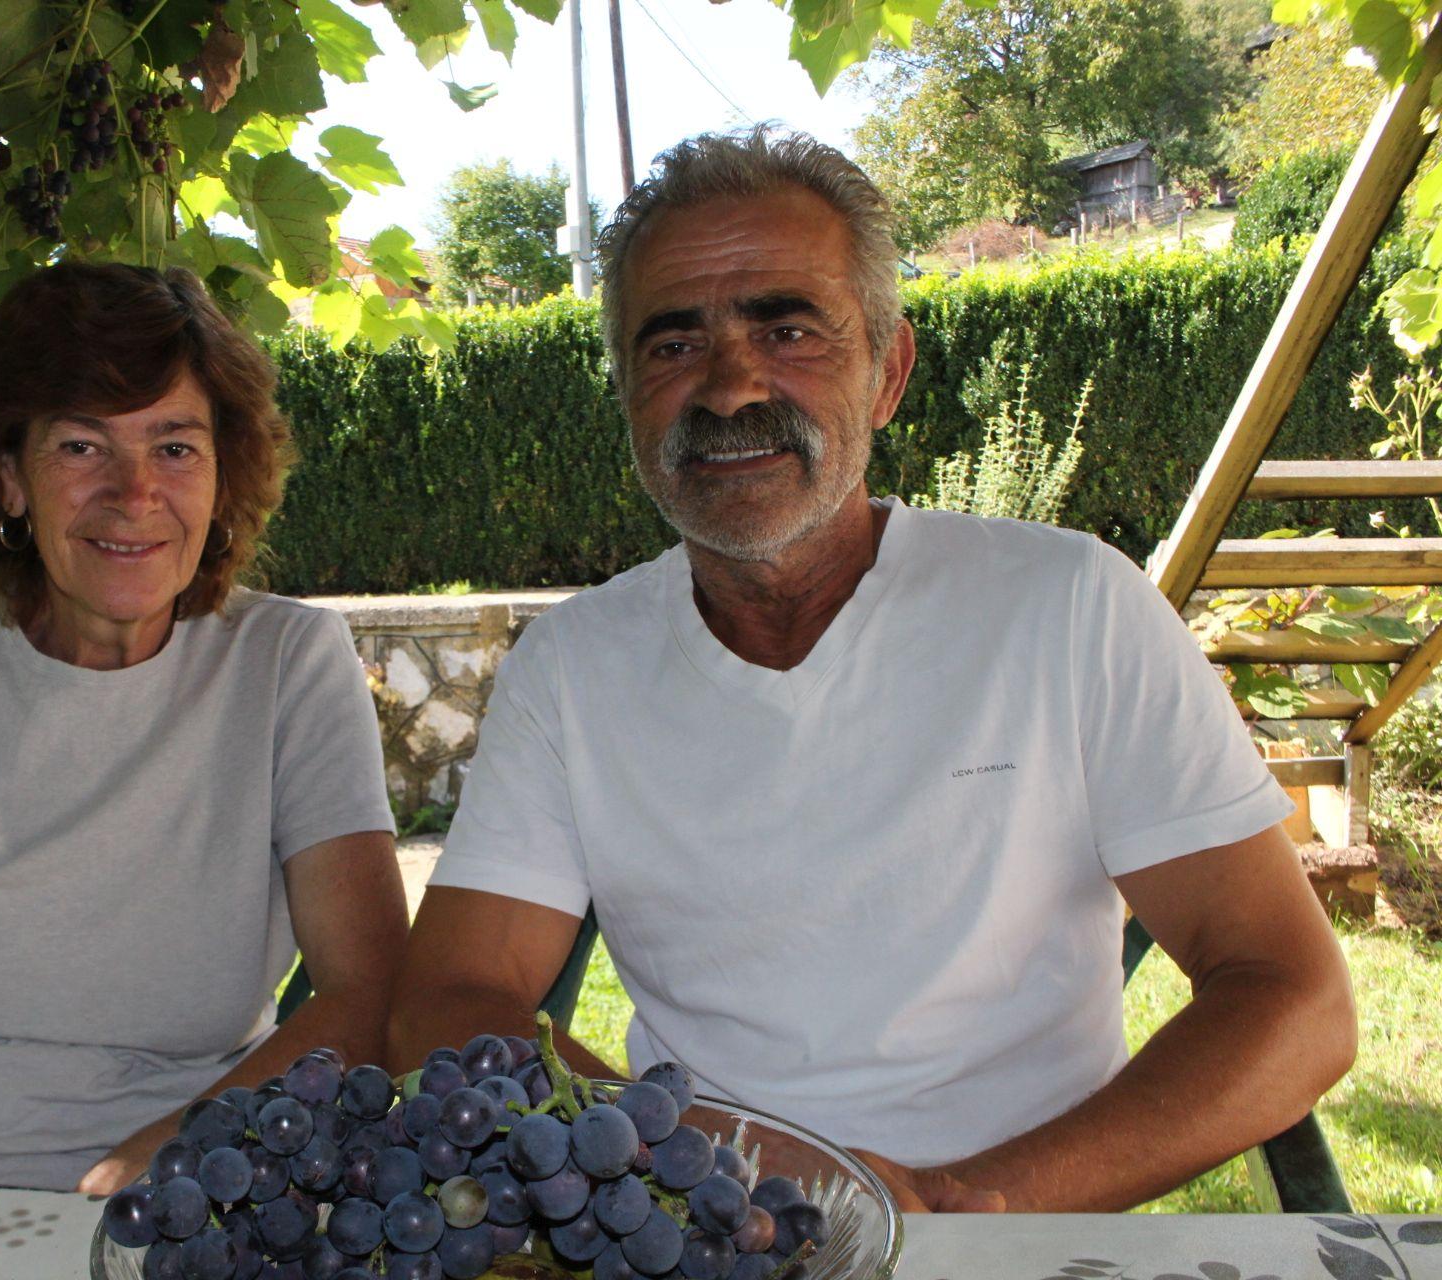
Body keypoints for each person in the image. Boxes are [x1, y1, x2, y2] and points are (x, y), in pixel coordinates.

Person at [388, 129, 1357, 1213]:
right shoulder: (572, 670)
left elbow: (1296, 997)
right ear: (625, 394)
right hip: (707, 1230)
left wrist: (958, 1211)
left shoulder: (1068, 608)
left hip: (1018, 1233)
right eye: (671, 345)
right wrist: (704, 1172)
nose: (728, 386)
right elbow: (447, 999)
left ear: (888, 371)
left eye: (788, 328)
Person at [0, 262, 407, 1194]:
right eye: (80, 447)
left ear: (224, 472)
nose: (134, 491)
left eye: (176, 447)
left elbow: (365, 992)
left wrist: (170, 1159)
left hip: (194, 1177)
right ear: (9, 476)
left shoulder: (288, 662)